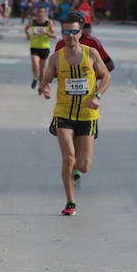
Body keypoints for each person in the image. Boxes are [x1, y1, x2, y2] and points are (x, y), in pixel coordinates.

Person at [39, 11, 112, 216]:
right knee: (68, 158)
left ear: (81, 33)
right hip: (63, 113)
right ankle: (70, 202)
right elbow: (46, 79)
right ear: (62, 33)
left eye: (74, 31)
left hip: (87, 115)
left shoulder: (91, 54)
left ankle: (79, 167)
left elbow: (106, 77)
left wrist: (97, 95)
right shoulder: (56, 57)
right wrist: (45, 88)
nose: (70, 35)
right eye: (66, 32)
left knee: (84, 165)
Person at [25, 5, 57, 90]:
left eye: (42, 12)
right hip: (34, 46)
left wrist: (46, 33)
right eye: (38, 12)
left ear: (45, 13)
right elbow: (26, 29)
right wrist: (28, 35)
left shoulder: (48, 22)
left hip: (44, 47)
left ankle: (40, 86)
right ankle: (35, 77)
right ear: (36, 13)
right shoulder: (33, 21)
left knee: (43, 70)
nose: (40, 14)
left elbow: (54, 35)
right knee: (35, 64)